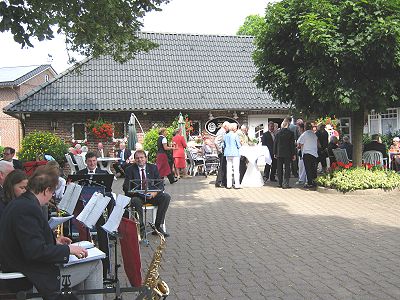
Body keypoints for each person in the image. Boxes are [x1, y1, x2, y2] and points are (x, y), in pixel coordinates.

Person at [0, 168, 103, 300]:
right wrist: (68, 250)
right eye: (52, 193)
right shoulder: (28, 208)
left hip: (24, 265)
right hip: (30, 274)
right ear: (46, 190)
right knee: (95, 264)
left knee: (83, 262)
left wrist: (55, 241)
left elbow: (27, 240)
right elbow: (35, 251)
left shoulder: (21, 203)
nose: (51, 197)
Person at [123, 150, 170, 237]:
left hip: (152, 195)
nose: (140, 160)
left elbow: (160, 184)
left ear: (146, 158)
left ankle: (157, 226)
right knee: (135, 201)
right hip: (138, 196)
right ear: (134, 159)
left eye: (142, 157)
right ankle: (141, 227)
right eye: (137, 158)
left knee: (166, 197)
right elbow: (126, 187)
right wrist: (141, 193)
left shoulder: (153, 168)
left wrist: (154, 193)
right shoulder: (129, 169)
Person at [273, 120, 295, 189]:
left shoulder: (278, 133)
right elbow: (292, 145)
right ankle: (286, 183)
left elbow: (275, 143)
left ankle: (280, 183)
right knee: (287, 168)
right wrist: (293, 154)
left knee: (279, 168)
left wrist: (275, 152)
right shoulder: (291, 133)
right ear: (288, 125)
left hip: (279, 153)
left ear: (282, 125)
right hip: (288, 153)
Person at [297, 122, 319, 188]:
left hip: (307, 153)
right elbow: (318, 144)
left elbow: (299, 144)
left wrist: (299, 146)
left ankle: (309, 183)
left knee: (308, 169)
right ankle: (314, 181)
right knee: (313, 169)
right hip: (314, 154)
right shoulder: (314, 135)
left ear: (305, 127)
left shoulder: (304, 134)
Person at [223, 123, 241, 189]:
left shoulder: (225, 135)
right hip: (235, 153)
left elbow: (223, 145)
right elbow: (238, 145)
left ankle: (229, 185)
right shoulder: (235, 135)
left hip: (227, 153)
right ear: (234, 128)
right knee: (236, 169)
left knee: (229, 169)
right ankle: (237, 185)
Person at [214, 121, 229, 188]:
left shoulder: (223, 131)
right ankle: (219, 182)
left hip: (223, 151)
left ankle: (223, 181)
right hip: (222, 152)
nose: (229, 128)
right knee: (222, 167)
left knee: (223, 166)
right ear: (225, 126)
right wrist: (220, 150)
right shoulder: (221, 132)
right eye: (228, 126)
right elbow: (216, 142)